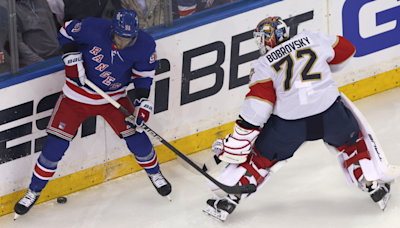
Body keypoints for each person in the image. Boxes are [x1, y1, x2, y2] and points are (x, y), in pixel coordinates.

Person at [202, 17, 399, 221]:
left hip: (290, 127)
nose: (261, 44)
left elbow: (258, 108)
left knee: (260, 158)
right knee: (352, 144)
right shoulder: (311, 38)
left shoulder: (264, 64)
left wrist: (236, 141)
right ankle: (372, 184)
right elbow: (346, 49)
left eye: (262, 39)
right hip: (331, 116)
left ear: (269, 39)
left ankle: (230, 200)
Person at [14, 8, 171, 219]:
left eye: (128, 39)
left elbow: (143, 76)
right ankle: (33, 191)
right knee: (54, 148)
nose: (123, 43)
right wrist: (71, 55)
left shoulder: (145, 44)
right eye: (119, 38)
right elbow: (66, 31)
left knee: (137, 137)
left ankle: (155, 174)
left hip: (114, 98)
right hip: (76, 97)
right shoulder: (92, 28)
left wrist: (143, 101)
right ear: (112, 30)